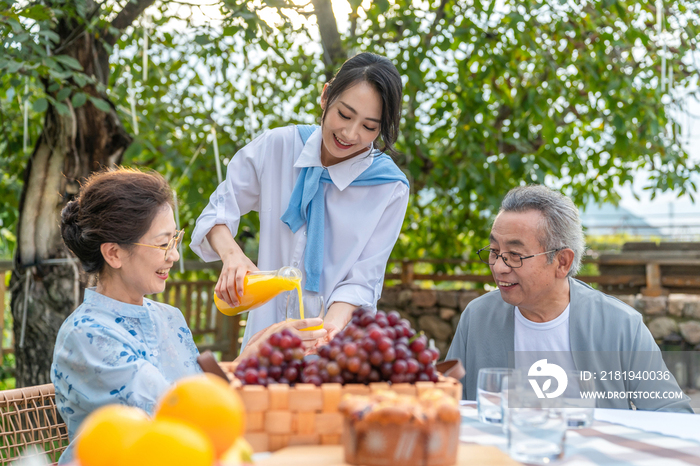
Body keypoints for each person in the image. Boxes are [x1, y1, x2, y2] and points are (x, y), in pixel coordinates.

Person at [53, 168, 326, 464]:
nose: (175, 255)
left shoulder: (169, 317)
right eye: (162, 244)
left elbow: (200, 398)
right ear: (114, 254)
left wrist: (252, 358)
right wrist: (247, 361)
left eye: (175, 239)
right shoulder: (87, 335)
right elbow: (175, 420)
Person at [191, 52, 409, 349]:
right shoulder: (278, 147)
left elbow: (362, 280)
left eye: (369, 127)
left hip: (334, 345)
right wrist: (232, 256)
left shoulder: (389, 187)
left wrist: (325, 333)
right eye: (344, 115)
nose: (350, 133)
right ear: (325, 96)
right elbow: (219, 208)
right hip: (263, 342)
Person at [446, 185, 693, 413]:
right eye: (494, 252)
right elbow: (445, 400)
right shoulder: (477, 318)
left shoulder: (620, 325)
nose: (499, 267)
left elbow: (671, 412)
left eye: (515, 255)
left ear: (562, 262)